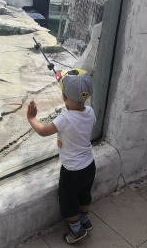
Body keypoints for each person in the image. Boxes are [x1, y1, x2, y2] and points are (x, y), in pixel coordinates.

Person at [26, 70, 96, 244]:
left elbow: (43, 131)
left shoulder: (65, 118)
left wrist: (31, 118)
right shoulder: (90, 112)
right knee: (84, 194)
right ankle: (85, 220)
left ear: (64, 97)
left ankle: (76, 230)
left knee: (67, 199)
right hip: (89, 165)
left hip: (72, 171)